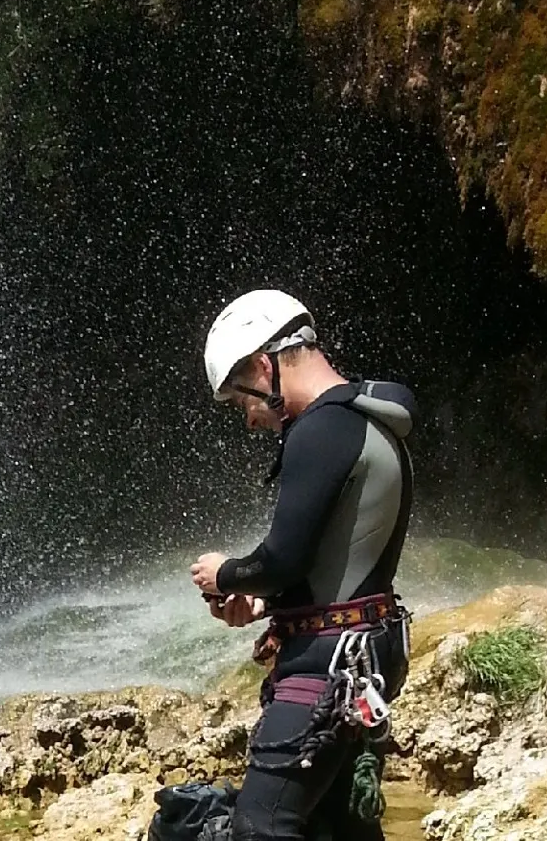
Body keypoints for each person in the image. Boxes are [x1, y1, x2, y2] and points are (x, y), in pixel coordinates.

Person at [187, 289, 417, 841]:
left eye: (243, 399)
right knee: (337, 828)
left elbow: (282, 558)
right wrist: (267, 604)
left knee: (261, 826)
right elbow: (341, 559)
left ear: (264, 366)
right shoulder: (371, 419)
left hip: (327, 668)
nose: (249, 420)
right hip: (365, 654)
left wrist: (226, 574)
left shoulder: (321, 427)